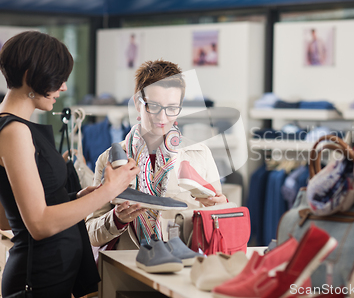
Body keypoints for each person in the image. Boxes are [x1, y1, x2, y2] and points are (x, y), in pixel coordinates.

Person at [0, 31, 140, 297]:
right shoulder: (14, 132)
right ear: (32, 75)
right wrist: (107, 191)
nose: (63, 87)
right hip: (39, 278)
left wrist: (76, 197)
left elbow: (8, 218)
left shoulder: (13, 128)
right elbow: (39, 224)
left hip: (50, 272)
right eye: (59, 78)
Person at [86, 59, 227, 250]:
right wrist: (117, 219)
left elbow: (221, 227)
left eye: (171, 108)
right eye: (153, 106)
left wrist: (221, 206)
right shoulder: (110, 158)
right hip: (126, 267)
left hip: (181, 266)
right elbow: (91, 232)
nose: (162, 118)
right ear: (137, 103)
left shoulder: (199, 155)